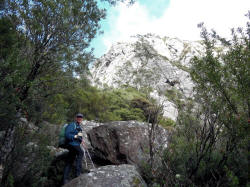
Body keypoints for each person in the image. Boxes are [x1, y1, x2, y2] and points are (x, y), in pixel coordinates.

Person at [63, 113, 87, 185]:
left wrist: (82, 141)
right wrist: (75, 136)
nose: (80, 118)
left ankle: (65, 179)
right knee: (81, 153)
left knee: (69, 161)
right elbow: (67, 135)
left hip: (75, 144)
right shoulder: (72, 125)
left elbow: (79, 137)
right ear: (76, 118)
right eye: (78, 117)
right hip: (72, 144)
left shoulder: (79, 127)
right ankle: (78, 173)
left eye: (81, 117)